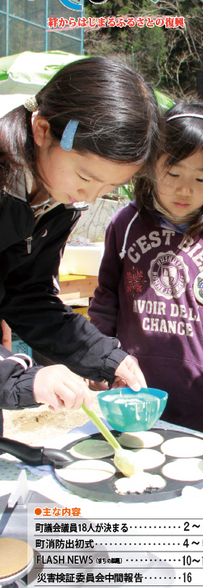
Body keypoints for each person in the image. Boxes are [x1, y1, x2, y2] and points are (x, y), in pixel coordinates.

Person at [0, 56, 162, 433]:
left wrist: (107, 357)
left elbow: (28, 296)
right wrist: (17, 377)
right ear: (42, 129)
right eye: (85, 177)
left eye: (109, 187)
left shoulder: (59, 197)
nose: (88, 196)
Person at [89, 102, 203, 436]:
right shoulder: (125, 224)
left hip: (201, 404)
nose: (185, 189)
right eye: (174, 173)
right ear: (151, 164)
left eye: (201, 178)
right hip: (131, 397)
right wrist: (99, 361)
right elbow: (106, 299)